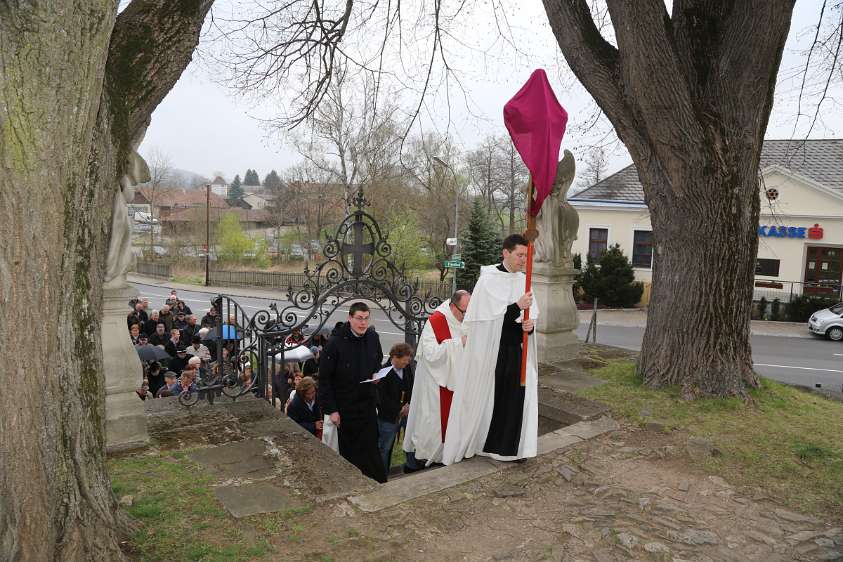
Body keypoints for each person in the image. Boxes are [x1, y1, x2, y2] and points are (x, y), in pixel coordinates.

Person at [442, 234, 539, 464]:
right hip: (494, 354)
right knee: (497, 399)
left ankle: (513, 448)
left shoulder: (524, 281)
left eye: (526, 256)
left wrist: (530, 326)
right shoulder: (488, 281)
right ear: (505, 252)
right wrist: (516, 307)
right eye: (519, 255)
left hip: (517, 350)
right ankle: (491, 444)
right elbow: (486, 323)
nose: (523, 260)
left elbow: (530, 319)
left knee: (518, 398)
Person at [317, 302, 387, 483]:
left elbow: (377, 359)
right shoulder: (334, 344)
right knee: (351, 454)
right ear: (350, 318)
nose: (362, 323)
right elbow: (324, 380)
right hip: (345, 409)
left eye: (365, 319)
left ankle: (378, 485)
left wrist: (376, 373)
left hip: (368, 405)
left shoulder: (373, 337)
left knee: (371, 449)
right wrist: (332, 410)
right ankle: (355, 486)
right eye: (359, 319)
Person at [403, 290, 470, 469]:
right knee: (432, 423)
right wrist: (458, 344)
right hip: (434, 383)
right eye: (464, 312)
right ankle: (424, 458)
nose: (466, 316)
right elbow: (431, 353)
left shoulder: (467, 319)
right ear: (453, 306)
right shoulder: (437, 321)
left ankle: (449, 454)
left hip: (458, 381)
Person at [376, 343, 414, 475]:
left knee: (411, 440)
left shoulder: (407, 368)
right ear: (395, 357)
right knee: (385, 448)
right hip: (388, 417)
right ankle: (382, 474)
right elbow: (381, 399)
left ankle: (411, 465)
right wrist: (399, 409)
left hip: (407, 412)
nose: (407, 363)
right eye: (405, 360)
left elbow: (411, 386)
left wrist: (408, 404)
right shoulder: (383, 372)